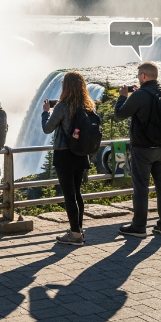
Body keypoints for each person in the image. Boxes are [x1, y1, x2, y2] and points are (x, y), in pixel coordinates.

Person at [114, 62, 161, 238]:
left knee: (141, 187)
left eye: (139, 75)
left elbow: (119, 115)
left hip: (143, 149)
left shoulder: (139, 95)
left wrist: (123, 96)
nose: (138, 77)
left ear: (144, 76)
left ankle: (139, 226)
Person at [41, 71, 96, 246]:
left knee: (69, 195)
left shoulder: (62, 106)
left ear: (65, 87)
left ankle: (74, 234)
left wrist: (45, 113)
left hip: (64, 155)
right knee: (77, 193)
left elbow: (47, 129)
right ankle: (78, 229)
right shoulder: (88, 105)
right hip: (81, 154)